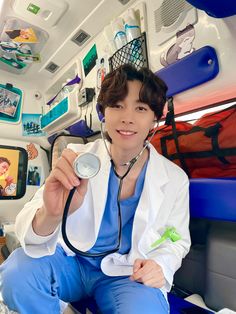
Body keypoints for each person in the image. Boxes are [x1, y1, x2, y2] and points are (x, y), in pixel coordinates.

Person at [0, 64, 190, 313]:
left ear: (154, 118)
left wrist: (161, 266)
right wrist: (52, 214)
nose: (127, 117)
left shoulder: (175, 179)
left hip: (126, 272)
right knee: (17, 275)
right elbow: (31, 226)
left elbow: (177, 240)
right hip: (72, 262)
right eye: (117, 105)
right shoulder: (75, 159)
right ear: (103, 113)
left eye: (141, 108)